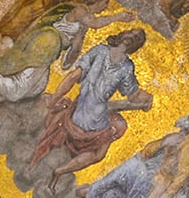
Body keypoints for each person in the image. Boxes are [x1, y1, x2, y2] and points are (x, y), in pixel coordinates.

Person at [31, 28, 154, 186]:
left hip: (80, 112)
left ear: (136, 46)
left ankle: (59, 171)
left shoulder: (121, 64)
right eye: (133, 32)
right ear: (123, 33)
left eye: (137, 37)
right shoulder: (112, 58)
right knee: (101, 149)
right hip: (94, 121)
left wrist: (54, 99)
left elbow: (132, 94)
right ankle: (60, 171)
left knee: (113, 119)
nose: (133, 36)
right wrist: (145, 101)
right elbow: (133, 95)